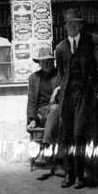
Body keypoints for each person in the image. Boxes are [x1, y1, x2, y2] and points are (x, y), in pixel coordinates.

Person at [53, 8, 98, 189]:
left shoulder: (92, 41)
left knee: (79, 134)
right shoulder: (61, 48)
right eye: (69, 24)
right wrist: (60, 91)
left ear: (81, 25)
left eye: (76, 23)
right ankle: (69, 174)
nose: (72, 27)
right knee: (67, 135)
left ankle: (79, 175)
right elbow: (61, 75)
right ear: (65, 27)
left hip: (85, 95)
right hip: (67, 97)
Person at [26, 45, 64, 181]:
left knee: (56, 111)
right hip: (41, 113)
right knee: (58, 123)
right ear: (39, 63)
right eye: (43, 61)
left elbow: (64, 95)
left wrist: (57, 91)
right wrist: (31, 119)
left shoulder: (60, 75)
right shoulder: (34, 78)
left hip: (58, 109)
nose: (46, 63)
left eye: (48, 60)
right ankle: (58, 163)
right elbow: (31, 101)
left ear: (52, 61)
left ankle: (44, 151)